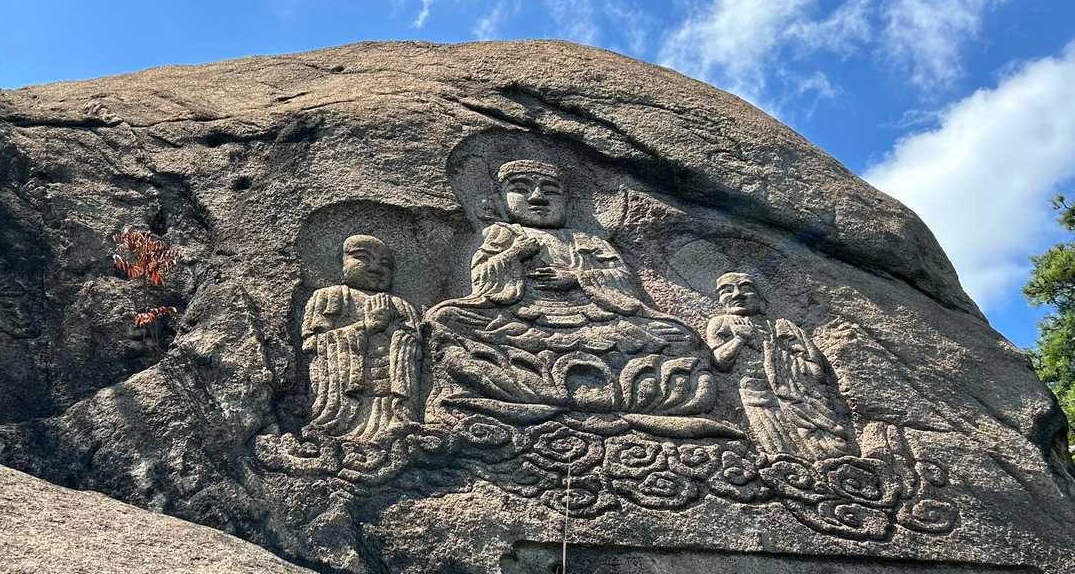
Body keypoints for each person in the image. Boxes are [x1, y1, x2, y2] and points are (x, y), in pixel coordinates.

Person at [425, 159, 719, 431]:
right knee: (445, 319)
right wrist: (514, 255)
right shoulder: (501, 235)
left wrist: (578, 278)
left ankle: (536, 390)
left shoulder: (587, 240)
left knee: (681, 338)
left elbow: (621, 279)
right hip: (521, 320)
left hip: (596, 322)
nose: (537, 198)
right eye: (521, 189)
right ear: (501, 201)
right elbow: (483, 279)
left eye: (550, 191)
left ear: (567, 201)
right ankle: (597, 390)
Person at [705, 271, 851, 460]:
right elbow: (719, 361)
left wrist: (777, 355)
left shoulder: (783, 326)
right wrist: (740, 339)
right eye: (726, 290)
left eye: (745, 288)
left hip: (799, 396)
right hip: (755, 395)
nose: (737, 295)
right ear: (720, 299)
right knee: (776, 446)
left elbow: (816, 370)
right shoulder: (720, 323)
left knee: (828, 447)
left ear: (760, 297)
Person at [301, 235, 421, 443]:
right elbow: (314, 344)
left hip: (389, 392)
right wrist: (366, 327)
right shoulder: (330, 296)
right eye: (363, 258)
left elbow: (415, 349)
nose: (376, 268)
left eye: (385, 264)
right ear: (342, 262)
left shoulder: (402, 305)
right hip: (344, 396)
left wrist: (395, 333)